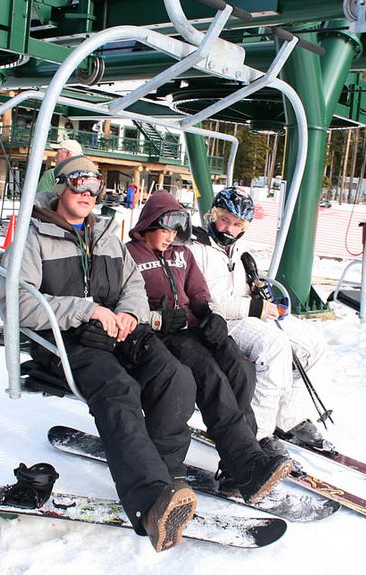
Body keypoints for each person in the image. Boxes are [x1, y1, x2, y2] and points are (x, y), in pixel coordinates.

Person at [0, 155, 199, 553]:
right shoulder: (33, 235)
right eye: (79, 183)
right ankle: (149, 502)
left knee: (176, 377)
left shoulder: (105, 232)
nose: (89, 193)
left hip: (115, 334)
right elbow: (15, 303)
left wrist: (128, 313)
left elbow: (133, 286)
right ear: (61, 187)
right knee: (118, 389)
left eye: (96, 186)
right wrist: (87, 310)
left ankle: (166, 477)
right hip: (62, 341)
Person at [126, 189, 292, 500]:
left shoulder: (182, 253)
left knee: (241, 370)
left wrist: (209, 315)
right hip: (164, 335)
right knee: (212, 378)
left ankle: (236, 463)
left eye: (176, 230)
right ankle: (247, 463)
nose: (170, 237)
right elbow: (125, 305)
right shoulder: (131, 256)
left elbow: (200, 293)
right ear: (148, 223)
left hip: (193, 327)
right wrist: (160, 318)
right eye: (165, 229)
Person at [190, 187, 328, 456]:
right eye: (225, 219)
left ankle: (288, 417)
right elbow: (205, 299)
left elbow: (241, 289)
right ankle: (259, 434)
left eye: (238, 224)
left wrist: (256, 290)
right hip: (217, 321)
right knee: (273, 346)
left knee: (313, 344)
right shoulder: (196, 247)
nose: (229, 229)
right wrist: (253, 306)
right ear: (213, 214)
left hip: (245, 313)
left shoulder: (239, 250)